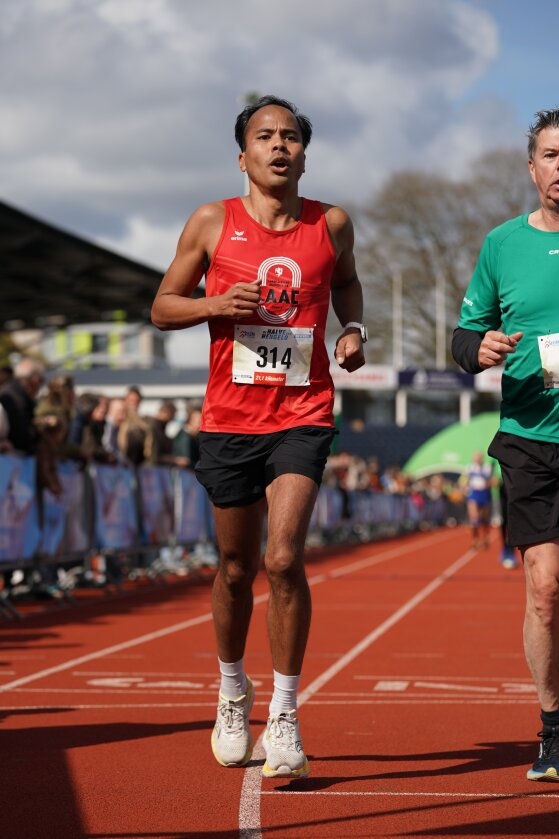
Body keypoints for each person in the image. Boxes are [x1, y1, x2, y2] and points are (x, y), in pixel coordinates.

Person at [151, 94, 366, 778]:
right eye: (265, 136)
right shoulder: (212, 221)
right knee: (236, 567)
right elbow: (161, 307)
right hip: (229, 418)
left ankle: (285, 713)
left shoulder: (331, 223)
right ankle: (231, 689)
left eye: (291, 136)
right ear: (242, 156)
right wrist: (214, 304)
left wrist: (353, 330)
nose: (279, 145)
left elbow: (349, 283)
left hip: (303, 411)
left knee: (283, 558)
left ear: (304, 154)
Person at [452, 108, 559, 782]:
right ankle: (553, 728)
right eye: (551, 155)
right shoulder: (501, 244)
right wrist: (481, 348)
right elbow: (464, 337)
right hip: (529, 437)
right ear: (532, 168)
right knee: (545, 588)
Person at [462, 450, 494, 549]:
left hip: (485, 494)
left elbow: (493, 480)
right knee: (474, 517)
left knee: (484, 519)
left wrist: (488, 484)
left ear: (482, 458)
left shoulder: (487, 468)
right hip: (474, 494)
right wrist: (463, 487)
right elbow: (463, 480)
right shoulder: (469, 468)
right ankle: (475, 539)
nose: (478, 459)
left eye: (479, 457)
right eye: (476, 457)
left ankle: (485, 538)